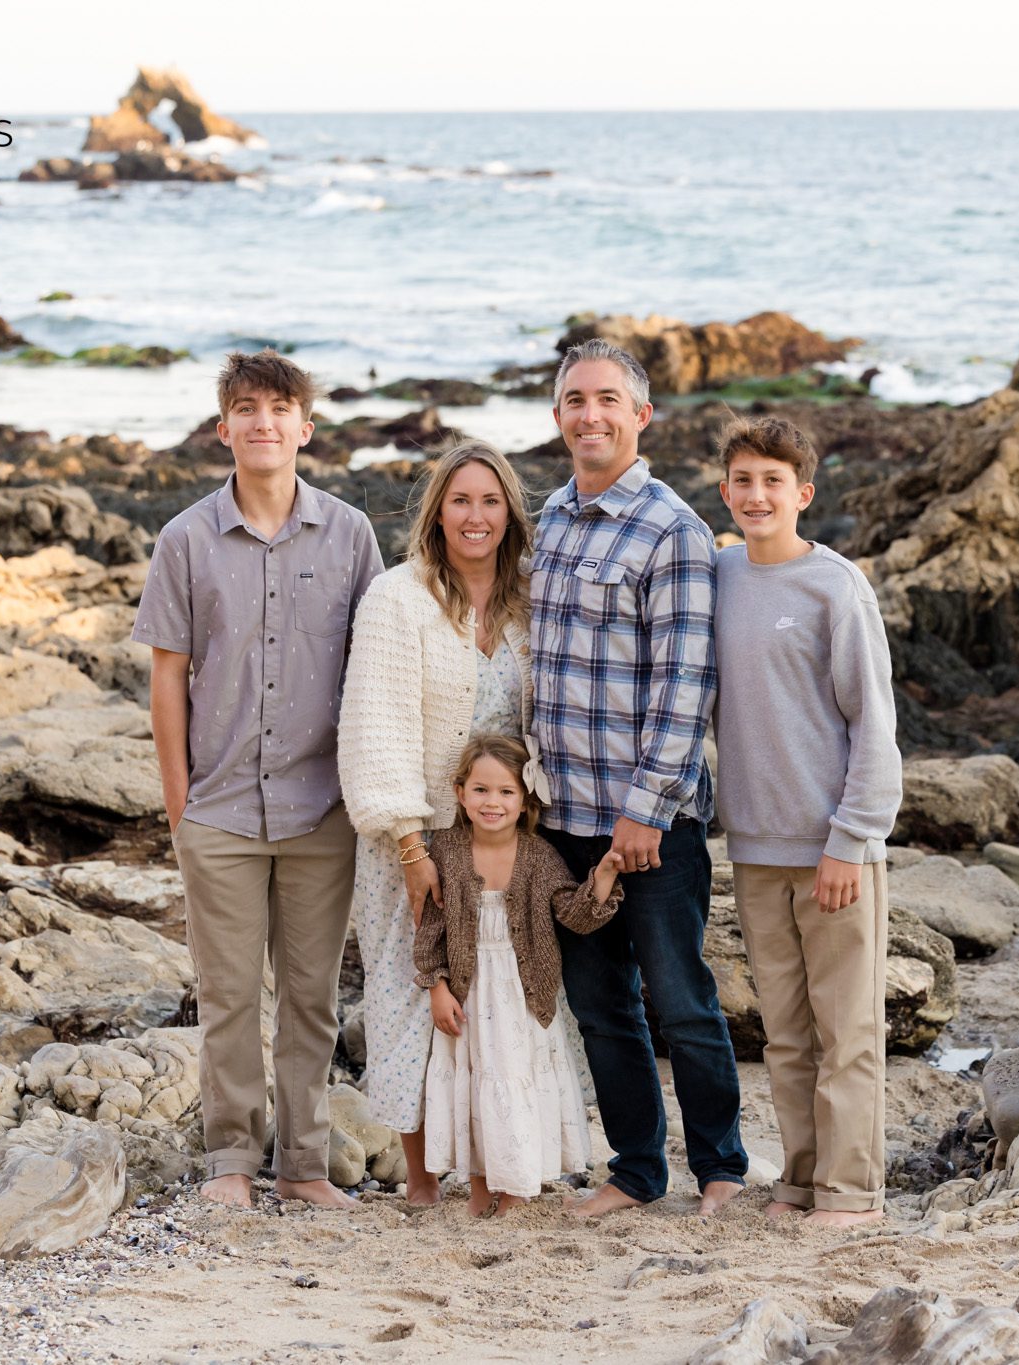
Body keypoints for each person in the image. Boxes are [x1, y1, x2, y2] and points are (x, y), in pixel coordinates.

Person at [132, 349, 383, 1210]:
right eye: (246, 408)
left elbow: (372, 667)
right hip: (221, 810)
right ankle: (230, 1162)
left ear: (305, 428)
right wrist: (179, 803)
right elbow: (168, 675)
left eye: (280, 409)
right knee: (229, 994)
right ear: (223, 428)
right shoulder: (185, 540)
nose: (263, 422)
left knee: (312, 998)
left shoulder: (351, 535)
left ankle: (305, 1166)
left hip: (322, 811)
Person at [530, 337, 748, 1218]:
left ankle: (723, 1168)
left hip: (652, 823)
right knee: (601, 1008)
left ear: (641, 414)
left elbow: (687, 684)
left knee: (681, 1000)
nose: (592, 414)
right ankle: (636, 1171)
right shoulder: (545, 518)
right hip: (564, 818)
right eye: (576, 399)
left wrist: (645, 812)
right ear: (558, 417)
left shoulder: (674, 530)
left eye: (608, 399)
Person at [336, 440, 540, 1206]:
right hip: (412, 841)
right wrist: (412, 843)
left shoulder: (528, 601)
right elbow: (373, 722)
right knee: (409, 994)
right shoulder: (398, 598)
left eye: (490, 501)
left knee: (494, 1004)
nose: (476, 516)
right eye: (461, 501)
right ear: (437, 512)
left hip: (501, 840)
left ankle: (490, 1167)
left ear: (510, 513)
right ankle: (422, 1179)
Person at [713, 415, 903, 1229]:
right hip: (754, 851)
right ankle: (798, 1179)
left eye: (773, 483)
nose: (757, 496)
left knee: (847, 1030)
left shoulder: (835, 586)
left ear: (804, 494)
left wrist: (851, 840)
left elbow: (874, 722)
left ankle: (852, 1193)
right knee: (785, 1037)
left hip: (834, 850)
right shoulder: (718, 579)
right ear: (725, 492)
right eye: (744, 482)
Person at [414, 735, 625, 1215]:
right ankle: (479, 1190)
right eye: (482, 790)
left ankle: (513, 1192)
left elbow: (574, 915)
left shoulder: (538, 855)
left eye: (506, 792)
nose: (493, 802)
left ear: (526, 798)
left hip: (522, 993)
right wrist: (437, 985)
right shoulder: (445, 848)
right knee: (474, 1087)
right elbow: (430, 927)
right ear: (460, 792)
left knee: (512, 1082)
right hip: (468, 993)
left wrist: (604, 878)